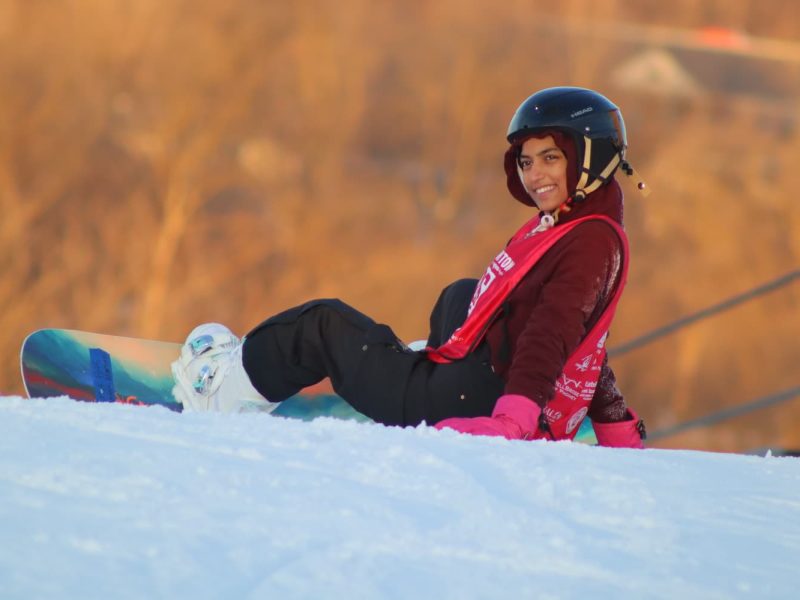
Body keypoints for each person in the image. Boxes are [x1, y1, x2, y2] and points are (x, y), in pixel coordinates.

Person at [172, 86, 647, 448]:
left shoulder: (590, 241)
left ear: (590, 159)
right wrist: (617, 427)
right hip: (484, 380)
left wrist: (512, 421)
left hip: (477, 399)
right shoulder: (579, 225)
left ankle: (220, 396)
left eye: (550, 158)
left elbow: (554, 330)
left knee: (322, 325)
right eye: (525, 161)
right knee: (464, 294)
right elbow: (587, 342)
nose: (534, 175)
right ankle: (419, 362)